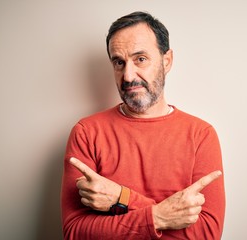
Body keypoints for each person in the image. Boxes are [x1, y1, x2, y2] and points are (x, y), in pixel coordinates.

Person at [61, 11, 225, 239]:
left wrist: (121, 198)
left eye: (140, 59)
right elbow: (75, 233)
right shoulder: (87, 133)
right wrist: (159, 216)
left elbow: (207, 234)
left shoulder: (201, 135)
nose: (128, 76)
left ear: (166, 61)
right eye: (119, 62)